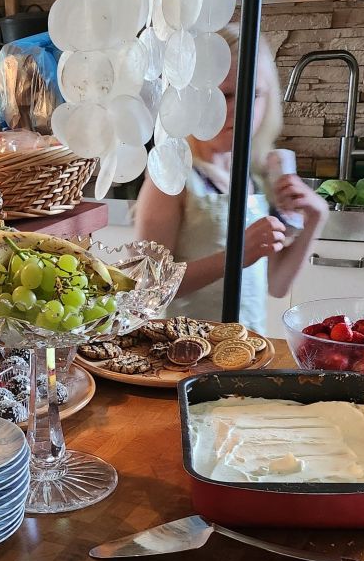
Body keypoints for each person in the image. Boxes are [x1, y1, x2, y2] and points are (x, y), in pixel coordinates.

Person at [134, 26, 328, 335]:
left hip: (245, 347)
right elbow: (147, 287)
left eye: (255, 94)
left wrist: (316, 217)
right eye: (225, 94)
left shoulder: (256, 176)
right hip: (184, 350)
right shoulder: (173, 177)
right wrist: (235, 257)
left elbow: (277, 285)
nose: (241, 109)